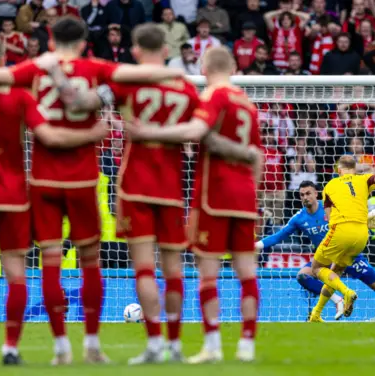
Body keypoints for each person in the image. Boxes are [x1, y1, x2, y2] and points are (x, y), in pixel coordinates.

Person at [0, 16, 185, 365]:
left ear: (49, 39)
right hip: (82, 179)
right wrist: (173, 73)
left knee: (50, 264)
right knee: (90, 263)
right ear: (83, 42)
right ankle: (91, 345)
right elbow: (140, 74)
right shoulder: (96, 66)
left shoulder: (34, 68)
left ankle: (61, 347)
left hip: (42, 181)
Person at [0, 32, 107, 366]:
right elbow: (48, 136)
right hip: (13, 195)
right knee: (16, 273)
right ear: (3, 61)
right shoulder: (20, 97)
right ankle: (10, 349)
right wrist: (92, 134)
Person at [123, 46, 264, 363]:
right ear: (233, 68)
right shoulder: (248, 104)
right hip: (244, 197)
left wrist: (151, 131)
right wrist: (251, 190)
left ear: (204, 67)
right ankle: (247, 345)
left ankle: (212, 345)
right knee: (247, 272)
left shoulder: (215, 96)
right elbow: (259, 157)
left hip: (214, 195)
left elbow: (196, 131)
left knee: (208, 274)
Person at [255, 181, 375, 321]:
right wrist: (257, 245)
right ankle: (338, 300)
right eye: (302, 194)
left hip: (349, 255)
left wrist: (367, 219)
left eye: (308, 193)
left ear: (316, 193)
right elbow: (278, 236)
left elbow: (352, 219)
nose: (305, 197)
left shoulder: (331, 208)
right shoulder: (298, 218)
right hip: (326, 259)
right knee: (303, 275)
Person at [307, 156, 375, 322]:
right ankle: (316, 314)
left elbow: (328, 218)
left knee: (316, 268)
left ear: (338, 170)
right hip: (362, 236)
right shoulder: (363, 180)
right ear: (355, 169)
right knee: (336, 270)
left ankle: (346, 293)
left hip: (341, 232)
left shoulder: (330, 185)